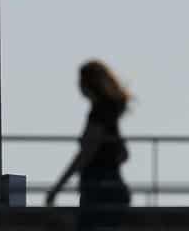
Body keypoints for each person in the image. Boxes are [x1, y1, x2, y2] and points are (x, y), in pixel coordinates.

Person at [46, 60, 132, 230]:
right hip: (111, 188)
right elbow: (123, 154)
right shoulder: (109, 114)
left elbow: (85, 154)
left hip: (99, 190)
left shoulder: (99, 114)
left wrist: (58, 187)